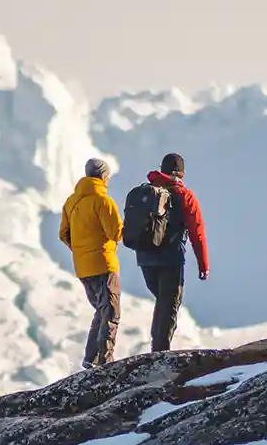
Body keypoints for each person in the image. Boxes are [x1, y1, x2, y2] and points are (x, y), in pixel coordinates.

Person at [134, 152, 209, 352]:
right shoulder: (185, 195)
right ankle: (159, 353)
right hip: (170, 258)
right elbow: (197, 232)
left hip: (145, 258)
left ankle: (156, 346)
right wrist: (203, 265)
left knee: (162, 301)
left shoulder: (147, 191)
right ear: (182, 174)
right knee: (169, 304)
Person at [58, 157, 123, 369]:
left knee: (101, 311)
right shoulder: (103, 201)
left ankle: (91, 359)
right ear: (104, 176)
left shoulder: (71, 202)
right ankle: (105, 362)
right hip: (104, 263)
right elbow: (116, 233)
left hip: (83, 267)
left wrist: (81, 251)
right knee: (111, 313)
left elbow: (64, 234)